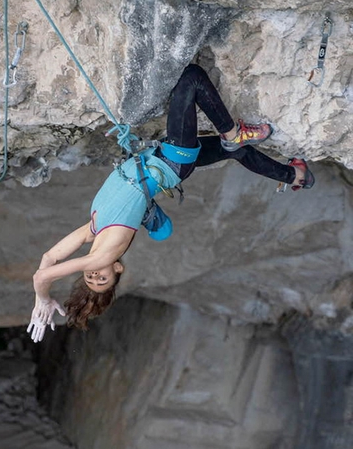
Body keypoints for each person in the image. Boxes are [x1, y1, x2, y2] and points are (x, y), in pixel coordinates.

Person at [27, 64, 314, 341]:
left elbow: (49, 259)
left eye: (89, 279)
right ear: (117, 269)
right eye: (102, 280)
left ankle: (295, 175)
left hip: (164, 156)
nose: (94, 275)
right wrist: (43, 299)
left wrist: (47, 291)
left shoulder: (93, 228)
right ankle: (233, 133)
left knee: (235, 152)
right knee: (191, 79)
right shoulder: (102, 257)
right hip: (173, 160)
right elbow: (42, 277)